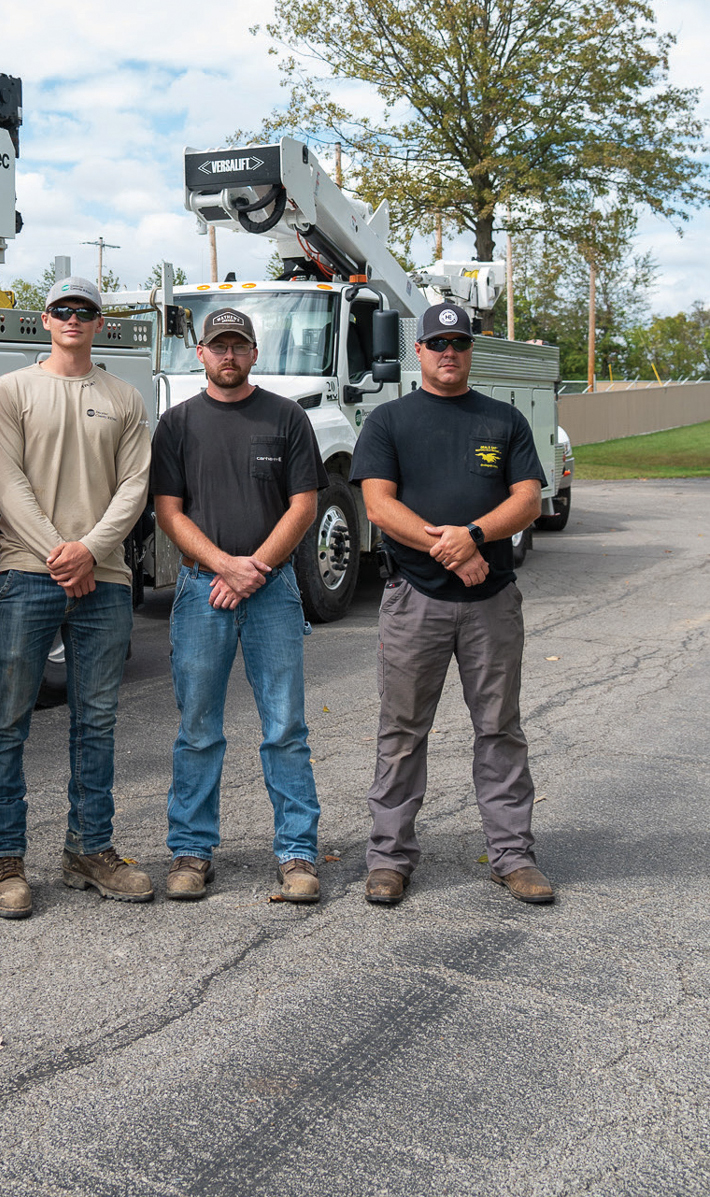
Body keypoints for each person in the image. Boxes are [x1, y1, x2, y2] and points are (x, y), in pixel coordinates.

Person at [350, 301, 554, 906]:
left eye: (458, 344)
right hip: (414, 600)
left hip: (491, 603)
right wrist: (452, 550)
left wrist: (475, 537)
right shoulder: (388, 422)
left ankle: (512, 855)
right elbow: (379, 506)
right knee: (402, 732)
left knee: (499, 729)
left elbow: (528, 501)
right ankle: (389, 859)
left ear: (471, 351)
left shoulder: (503, 421)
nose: (447, 353)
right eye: (436, 343)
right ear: (418, 352)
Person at [0, 275, 152, 917]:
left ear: (99, 323)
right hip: (26, 573)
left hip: (103, 581)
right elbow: (4, 482)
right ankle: (4, 862)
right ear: (44, 320)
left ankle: (90, 851)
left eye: (84, 310)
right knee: (7, 720)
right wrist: (60, 552)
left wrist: (90, 553)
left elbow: (135, 487)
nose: (72, 318)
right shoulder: (13, 390)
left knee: (96, 721)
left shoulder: (125, 397)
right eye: (61, 310)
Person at [151, 308, 328, 902]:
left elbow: (303, 506)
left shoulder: (287, 418)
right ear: (199, 353)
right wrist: (225, 566)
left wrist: (254, 571)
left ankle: (299, 853)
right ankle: (191, 851)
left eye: (239, 346)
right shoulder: (176, 425)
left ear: (255, 353)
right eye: (218, 346)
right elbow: (170, 512)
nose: (229, 356)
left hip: (271, 591)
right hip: (203, 590)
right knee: (198, 729)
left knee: (285, 727)